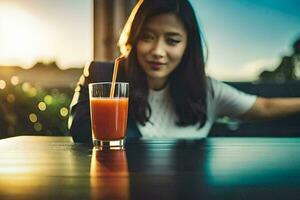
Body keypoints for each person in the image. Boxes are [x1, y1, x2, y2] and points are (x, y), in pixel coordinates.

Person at [69, 0, 300, 143]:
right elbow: (80, 131)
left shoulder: (206, 89)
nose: (158, 51)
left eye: (172, 40)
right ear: (134, 39)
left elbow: (263, 106)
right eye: (148, 37)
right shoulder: (104, 76)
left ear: (188, 46)